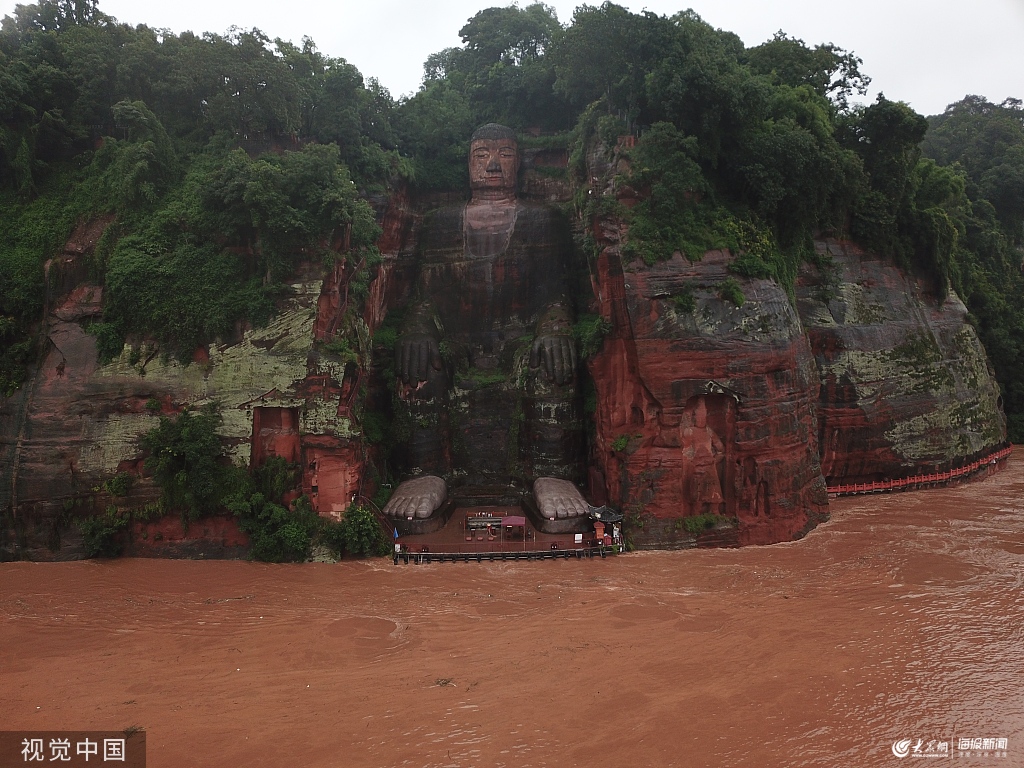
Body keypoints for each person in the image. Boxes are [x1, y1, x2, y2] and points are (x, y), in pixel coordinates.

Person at [383, 124, 588, 522]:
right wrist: (417, 329)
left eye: (505, 154)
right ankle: (426, 473)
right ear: (468, 164)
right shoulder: (439, 224)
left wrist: (555, 327)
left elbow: (557, 296)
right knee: (419, 360)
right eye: (482, 155)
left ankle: (551, 472)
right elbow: (423, 298)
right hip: (458, 347)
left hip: (519, 345)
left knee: (552, 358)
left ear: (519, 162)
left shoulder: (543, 221)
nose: (493, 164)